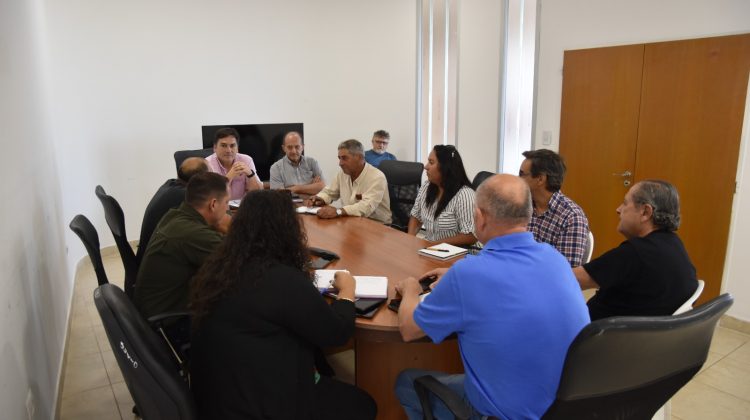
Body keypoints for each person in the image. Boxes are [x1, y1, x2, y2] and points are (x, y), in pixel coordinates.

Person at [394, 174, 590, 420]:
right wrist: (462, 273)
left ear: (480, 217)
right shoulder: (555, 259)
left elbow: (409, 330)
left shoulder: (468, 275)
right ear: (529, 216)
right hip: (566, 407)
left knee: (405, 381)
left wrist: (411, 289)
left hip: (505, 414)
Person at [189, 190, 377, 420]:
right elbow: (336, 334)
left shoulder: (221, 266)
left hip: (218, 395)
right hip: (262, 404)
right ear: (287, 230)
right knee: (364, 404)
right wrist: (347, 290)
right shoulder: (281, 279)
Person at [573, 180, 698, 321]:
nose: (618, 209)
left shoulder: (636, 253)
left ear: (645, 212)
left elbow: (571, 280)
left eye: (625, 203)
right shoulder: (674, 244)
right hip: (647, 338)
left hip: (600, 337)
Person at [134, 172, 230, 321]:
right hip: (168, 322)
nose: (228, 209)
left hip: (155, 308)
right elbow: (242, 258)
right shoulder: (192, 234)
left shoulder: (175, 215)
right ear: (213, 204)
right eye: (226, 203)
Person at [519, 149, 590, 266]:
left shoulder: (572, 217)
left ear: (540, 179)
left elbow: (566, 270)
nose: (518, 179)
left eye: (522, 174)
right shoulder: (521, 206)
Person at [136, 157, 208, 264]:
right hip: (159, 261)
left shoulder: (170, 184)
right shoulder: (186, 196)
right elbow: (208, 225)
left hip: (149, 255)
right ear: (202, 179)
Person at [304, 139, 392, 224]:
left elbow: (366, 207)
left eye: (344, 158)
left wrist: (338, 211)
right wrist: (320, 198)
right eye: (339, 158)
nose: (340, 163)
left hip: (377, 226)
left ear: (360, 157)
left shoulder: (377, 177)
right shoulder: (343, 174)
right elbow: (330, 192)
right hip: (352, 221)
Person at [408, 145, 476, 246]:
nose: (426, 167)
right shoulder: (427, 186)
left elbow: (470, 236)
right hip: (432, 249)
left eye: (431, 162)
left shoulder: (465, 194)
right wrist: (409, 240)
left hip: (460, 253)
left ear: (445, 167)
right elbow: (416, 216)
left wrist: (434, 245)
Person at [205, 127, 263, 200]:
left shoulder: (246, 160)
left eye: (232, 146)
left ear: (237, 148)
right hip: (219, 208)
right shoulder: (207, 163)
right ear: (215, 148)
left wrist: (250, 174)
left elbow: (259, 192)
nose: (229, 150)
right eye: (223, 145)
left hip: (243, 207)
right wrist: (229, 176)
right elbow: (211, 195)